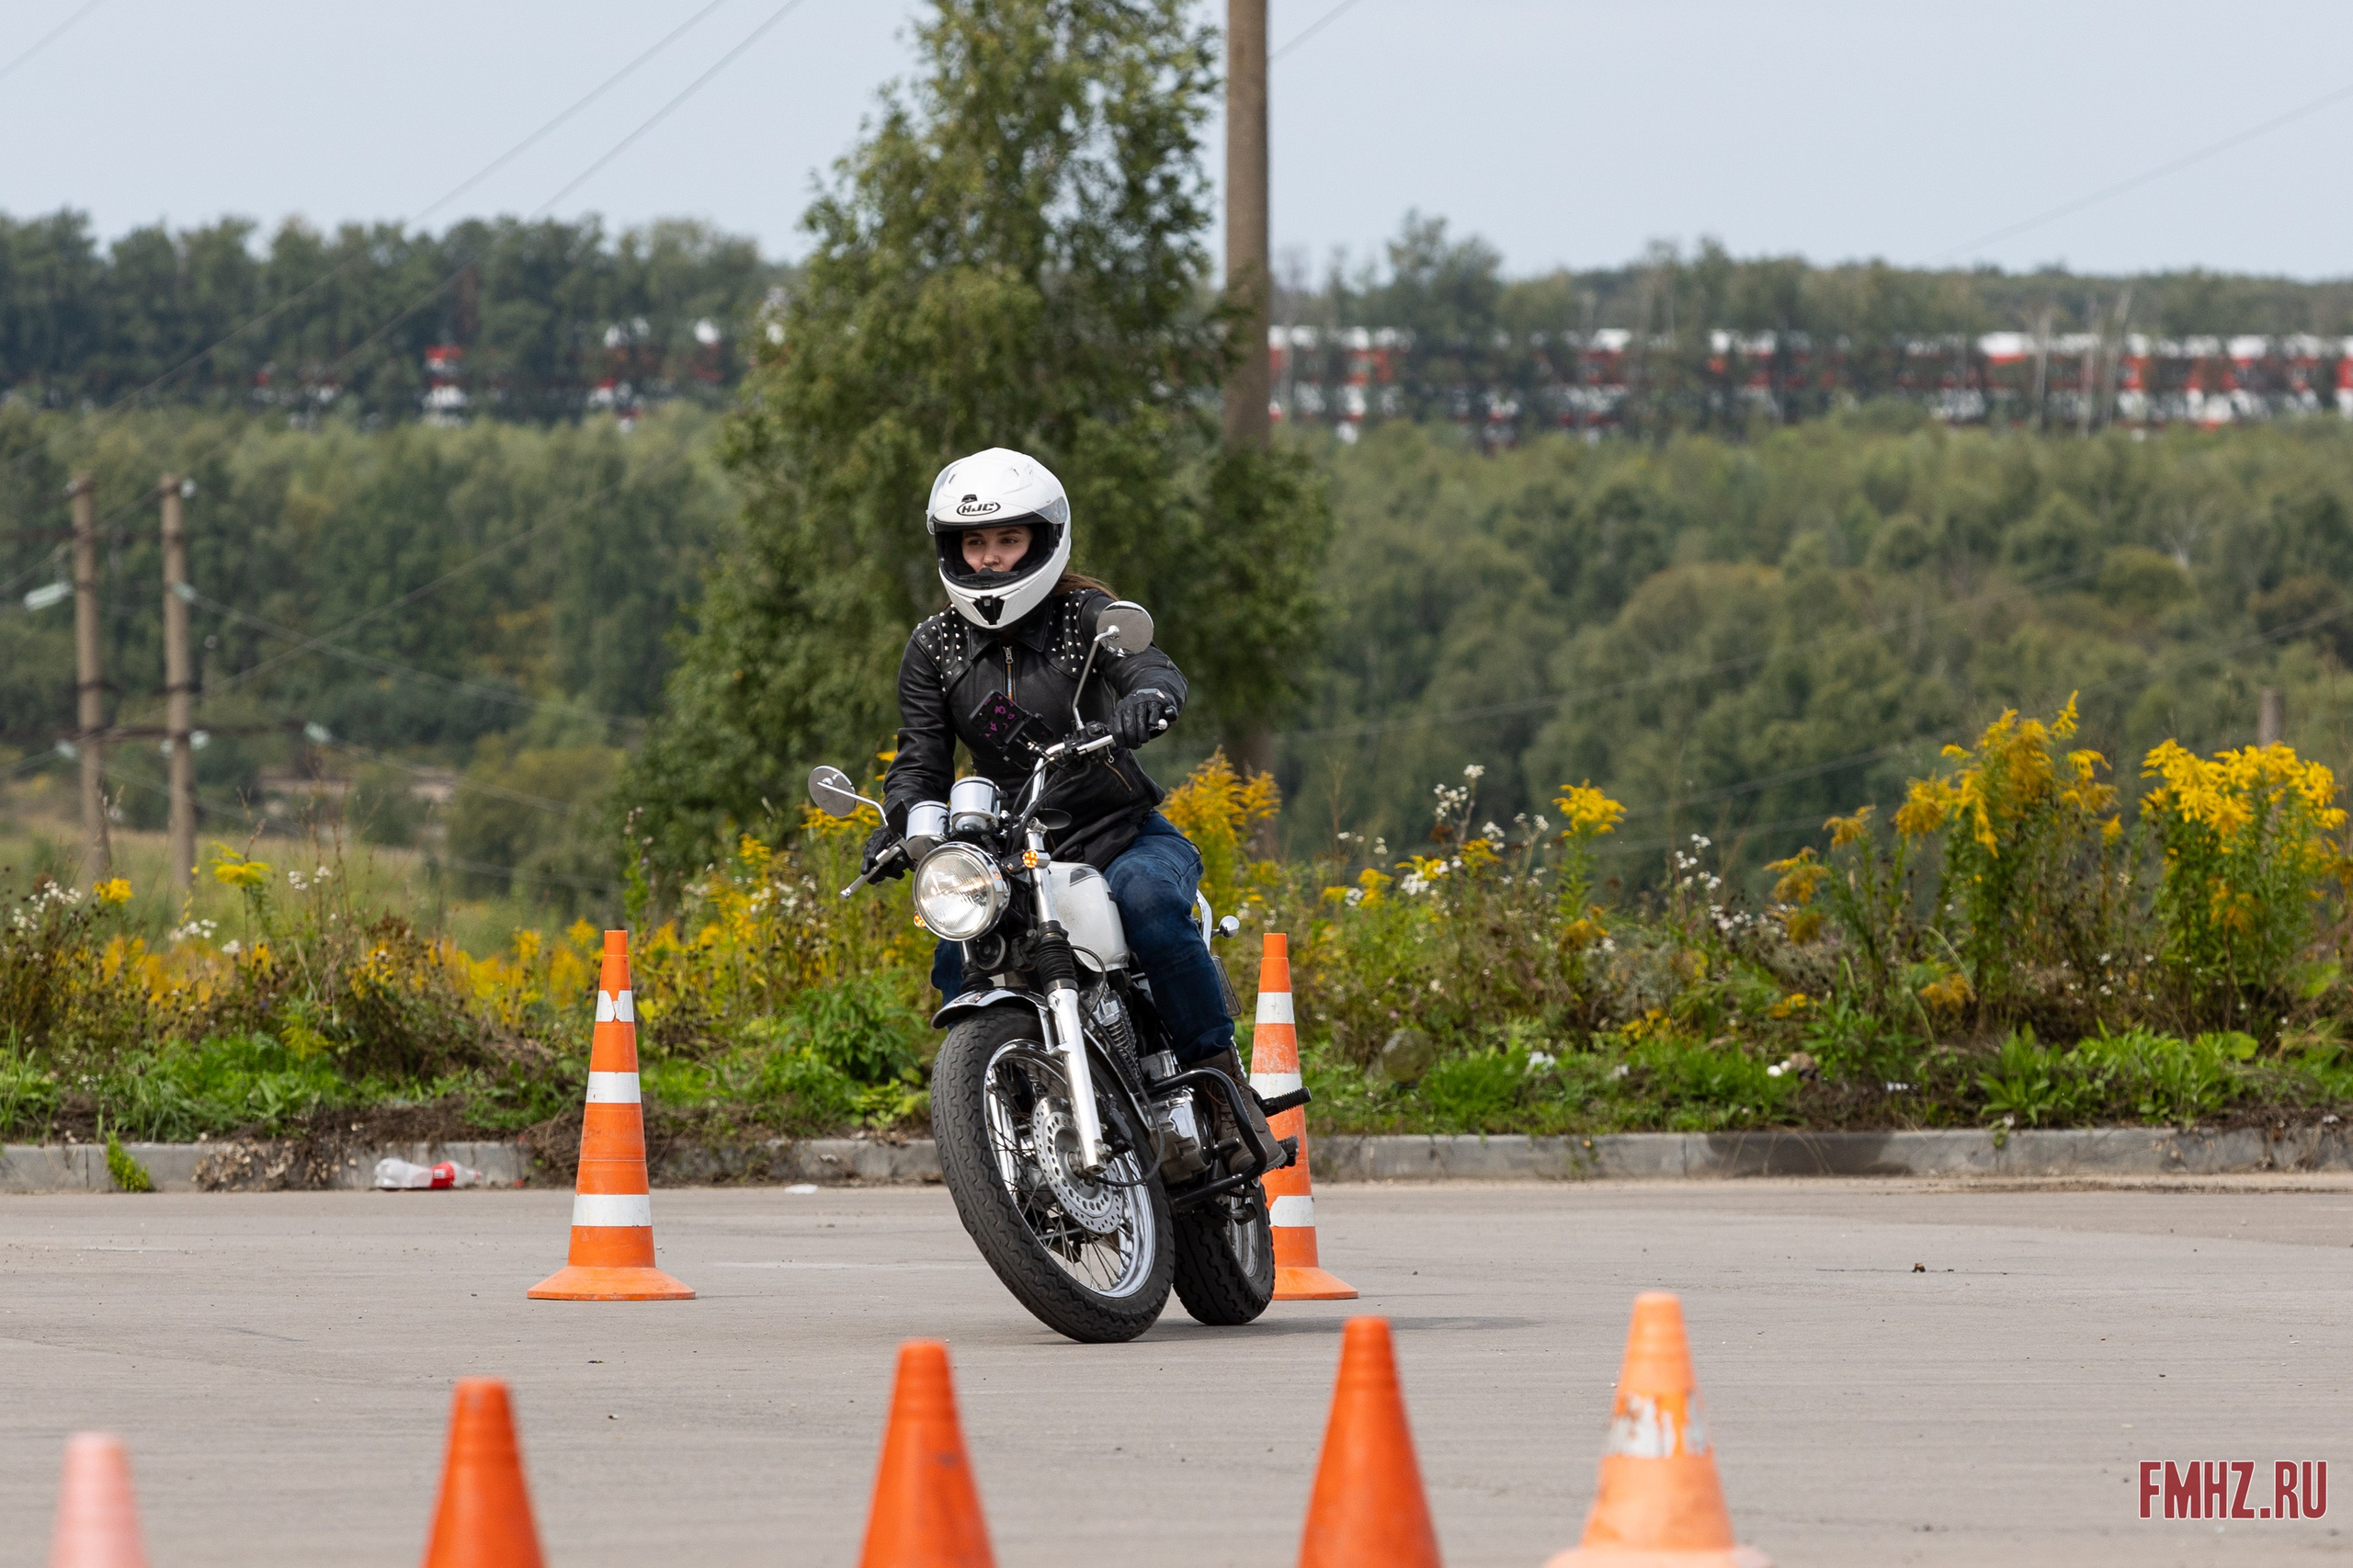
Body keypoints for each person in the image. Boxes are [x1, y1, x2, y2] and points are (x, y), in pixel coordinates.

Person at [868, 446, 1280, 1165]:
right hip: (1010, 855)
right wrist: (899, 824)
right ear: (952, 548)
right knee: (958, 953)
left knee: (1151, 904)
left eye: (1007, 540)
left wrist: (1151, 696)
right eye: (975, 542)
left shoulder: (1082, 616)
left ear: (1043, 539)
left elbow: (1146, 664)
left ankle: (1219, 1086)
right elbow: (920, 760)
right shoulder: (933, 646)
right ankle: (1006, 1116)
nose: (991, 558)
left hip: (1119, 833)